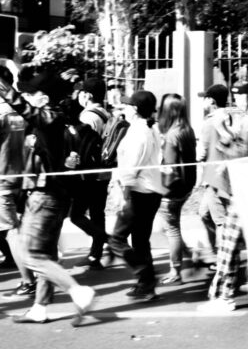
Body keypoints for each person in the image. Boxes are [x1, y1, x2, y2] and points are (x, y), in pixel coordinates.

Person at [0, 70, 96, 323]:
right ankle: (40, 308)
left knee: (32, 255)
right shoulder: (53, 119)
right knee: (47, 254)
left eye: (31, 93)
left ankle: (78, 291)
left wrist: (3, 88)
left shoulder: (50, 118)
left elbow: (26, 110)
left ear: (43, 97)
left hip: (45, 196)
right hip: (51, 195)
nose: (26, 96)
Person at [199, 79, 248, 313]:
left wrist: (222, 134)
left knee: (228, 246)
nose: (236, 99)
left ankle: (223, 295)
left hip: (244, 192)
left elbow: (240, 155)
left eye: (241, 95)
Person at [109, 90, 167, 302]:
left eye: (127, 105)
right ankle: (146, 286)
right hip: (150, 192)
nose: (123, 108)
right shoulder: (149, 129)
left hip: (138, 192)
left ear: (134, 109)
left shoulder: (138, 133)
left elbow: (131, 168)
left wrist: (124, 195)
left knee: (116, 240)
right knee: (141, 240)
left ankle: (145, 275)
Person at [0, 67, 38, 300]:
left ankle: (28, 280)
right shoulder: (21, 109)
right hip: (21, 175)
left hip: (3, 176)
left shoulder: (1, 112)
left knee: (11, 230)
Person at [65, 77, 110, 271]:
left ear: (88, 95)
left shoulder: (88, 116)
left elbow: (83, 146)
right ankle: (95, 254)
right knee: (97, 211)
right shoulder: (106, 113)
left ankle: (103, 241)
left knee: (76, 214)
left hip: (90, 173)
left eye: (82, 92)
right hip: (103, 170)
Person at [157, 93, 198, 285]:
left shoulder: (172, 136)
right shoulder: (187, 130)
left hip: (171, 190)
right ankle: (190, 256)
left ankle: (176, 270)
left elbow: (169, 168)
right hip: (186, 186)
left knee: (171, 230)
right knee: (171, 227)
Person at [196, 83, 231, 268]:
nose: (203, 101)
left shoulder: (210, 122)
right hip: (221, 175)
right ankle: (215, 252)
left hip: (213, 178)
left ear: (211, 100)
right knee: (204, 213)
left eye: (205, 97)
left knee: (220, 220)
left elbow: (200, 154)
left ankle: (225, 259)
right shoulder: (230, 117)